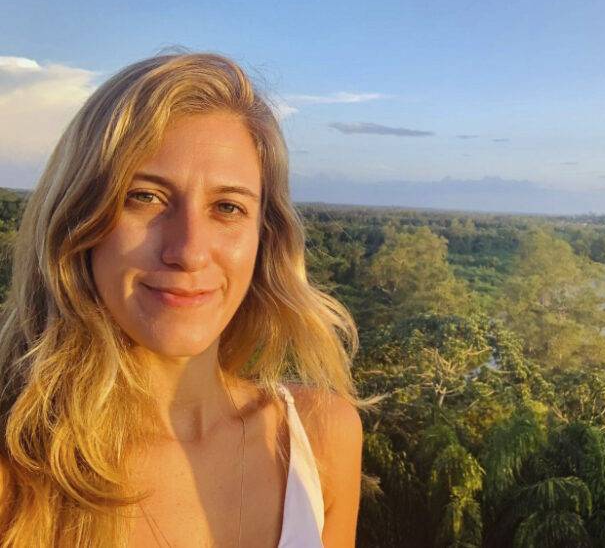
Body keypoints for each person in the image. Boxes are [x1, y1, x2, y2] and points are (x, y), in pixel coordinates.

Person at [0, 52, 366, 547]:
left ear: (265, 238)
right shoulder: (18, 476)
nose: (189, 251)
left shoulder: (320, 438)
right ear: (77, 221)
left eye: (227, 207)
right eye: (144, 197)